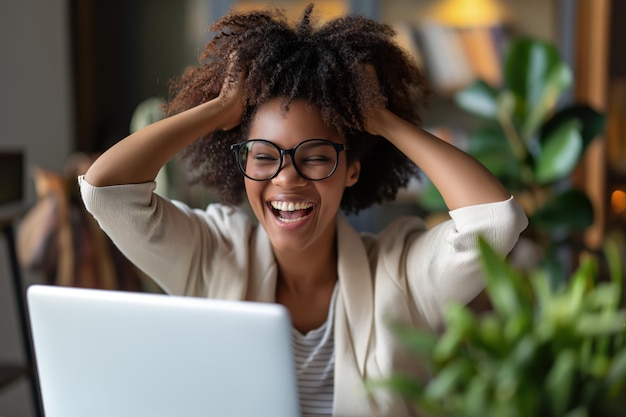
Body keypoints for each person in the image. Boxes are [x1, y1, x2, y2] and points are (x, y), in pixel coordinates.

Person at [79, 4, 528, 417]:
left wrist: (381, 120)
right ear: (242, 165)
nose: (286, 178)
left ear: (351, 169)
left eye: (314, 157)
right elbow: (107, 192)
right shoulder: (210, 255)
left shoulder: (399, 273)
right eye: (263, 156)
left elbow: (495, 220)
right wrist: (219, 109)